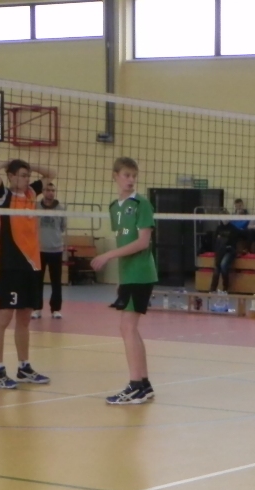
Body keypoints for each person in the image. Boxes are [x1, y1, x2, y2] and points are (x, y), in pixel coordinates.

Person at [90, 157, 157, 405]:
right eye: (126, 175)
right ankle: (144, 384)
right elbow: (123, 240)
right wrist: (121, 278)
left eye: (133, 176)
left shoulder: (142, 204)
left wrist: (107, 255)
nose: (130, 180)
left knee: (127, 328)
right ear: (115, 176)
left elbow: (142, 242)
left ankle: (135, 386)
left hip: (141, 273)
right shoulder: (114, 207)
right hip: (129, 275)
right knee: (129, 328)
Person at [0, 159, 55, 389]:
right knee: (4, 317)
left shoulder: (31, 194)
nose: (27, 179)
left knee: (24, 318)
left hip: (32, 266)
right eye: (22, 175)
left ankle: (24, 367)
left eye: (28, 176)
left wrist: (30, 166)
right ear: (11, 177)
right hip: (12, 266)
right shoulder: (3, 196)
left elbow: (51, 173)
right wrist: (10, 163)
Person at [34, 181, 67, 319]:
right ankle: (37, 309)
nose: (50, 193)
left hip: (56, 250)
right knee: (37, 281)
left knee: (56, 282)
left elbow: (62, 227)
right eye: (47, 190)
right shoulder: (35, 207)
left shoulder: (61, 209)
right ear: (42, 192)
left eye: (53, 190)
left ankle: (56, 309)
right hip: (38, 250)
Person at [210, 213, 239, 293]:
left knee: (223, 265)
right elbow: (215, 241)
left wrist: (226, 245)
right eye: (223, 217)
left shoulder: (233, 229)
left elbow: (233, 242)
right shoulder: (218, 228)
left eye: (226, 218)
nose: (225, 219)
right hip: (220, 251)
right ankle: (212, 289)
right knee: (217, 267)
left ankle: (225, 288)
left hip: (229, 251)